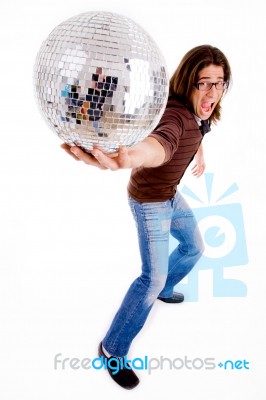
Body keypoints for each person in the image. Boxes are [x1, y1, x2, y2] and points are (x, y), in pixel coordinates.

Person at [61, 44, 232, 389]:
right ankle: (112, 348)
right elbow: (159, 144)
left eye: (220, 83)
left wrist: (199, 151)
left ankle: (166, 288)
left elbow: (198, 127)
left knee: (194, 247)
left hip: (170, 194)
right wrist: (129, 158)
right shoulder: (176, 115)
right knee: (150, 279)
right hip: (149, 201)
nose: (213, 91)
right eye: (205, 83)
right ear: (189, 82)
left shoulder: (199, 113)